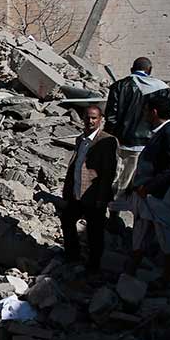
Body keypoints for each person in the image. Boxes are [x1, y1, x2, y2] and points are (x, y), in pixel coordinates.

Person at [126, 94, 170, 288]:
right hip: (147, 194)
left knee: (164, 233)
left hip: (160, 195)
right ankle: (131, 270)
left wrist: (149, 187)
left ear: (154, 112)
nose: (144, 114)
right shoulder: (160, 132)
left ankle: (167, 277)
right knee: (141, 229)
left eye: (145, 111)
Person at [105, 57, 170, 222]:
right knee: (143, 183)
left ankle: (115, 215)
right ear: (150, 70)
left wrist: (111, 138)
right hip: (149, 145)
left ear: (131, 69)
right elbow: (168, 119)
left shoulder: (119, 86)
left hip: (124, 142)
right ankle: (140, 219)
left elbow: (111, 117)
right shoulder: (162, 88)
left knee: (120, 179)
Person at [59, 103, 117, 272]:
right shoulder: (81, 138)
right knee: (67, 220)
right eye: (87, 118)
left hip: (93, 194)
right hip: (77, 192)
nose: (90, 121)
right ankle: (72, 255)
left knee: (94, 231)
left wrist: (102, 197)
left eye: (94, 118)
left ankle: (94, 265)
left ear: (101, 120)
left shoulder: (107, 141)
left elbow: (108, 172)